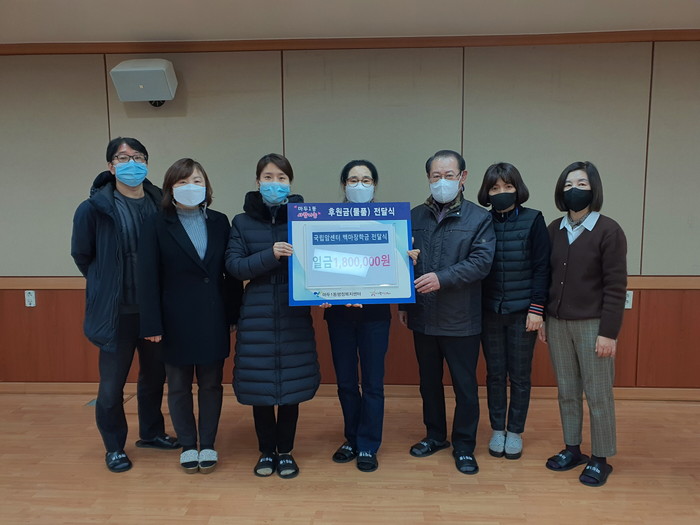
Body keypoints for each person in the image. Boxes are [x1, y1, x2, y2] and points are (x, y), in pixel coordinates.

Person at [71, 137, 178, 473]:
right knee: (112, 384)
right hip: (116, 312)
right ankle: (114, 446)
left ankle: (152, 433)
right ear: (110, 166)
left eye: (139, 157)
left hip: (153, 310)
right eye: (123, 157)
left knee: (154, 377)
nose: (132, 163)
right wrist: (106, 283)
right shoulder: (93, 208)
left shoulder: (160, 202)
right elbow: (82, 254)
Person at [137, 158, 243, 474]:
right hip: (173, 319)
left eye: (197, 181)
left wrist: (233, 313)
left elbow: (230, 274)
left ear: (206, 187)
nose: (190, 187)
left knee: (211, 384)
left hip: (212, 316)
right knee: (179, 385)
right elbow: (147, 277)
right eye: (182, 182)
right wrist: (151, 322)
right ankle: (187, 444)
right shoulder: (155, 223)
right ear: (170, 188)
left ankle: (207, 443)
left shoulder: (220, 221)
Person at [398, 149, 495, 475]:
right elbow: (401, 263)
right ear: (428, 178)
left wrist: (442, 278)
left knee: (465, 387)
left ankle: (464, 446)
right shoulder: (414, 216)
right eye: (436, 176)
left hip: (461, 318)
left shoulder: (479, 218)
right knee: (428, 383)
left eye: (449, 175)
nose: (442, 182)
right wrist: (405, 304)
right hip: (423, 317)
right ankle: (435, 436)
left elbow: (481, 263)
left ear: (463, 177)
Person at [225, 153, 320, 479]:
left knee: (292, 389)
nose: (275, 184)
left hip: (294, 312)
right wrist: (270, 254)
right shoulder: (241, 222)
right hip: (257, 312)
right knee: (260, 388)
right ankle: (266, 451)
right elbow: (234, 266)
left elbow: (322, 260)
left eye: (281, 178)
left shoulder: (305, 218)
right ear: (257, 182)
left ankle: (286, 451)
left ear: (290, 183)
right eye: (268, 177)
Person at [539, 161, 627, 488]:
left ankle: (600, 458)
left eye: (581, 184)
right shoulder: (554, 229)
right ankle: (572, 448)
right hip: (558, 323)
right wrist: (544, 316)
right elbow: (545, 277)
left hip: (593, 326)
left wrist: (609, 333)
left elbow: (616, 286)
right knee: (567, 391)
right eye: (568, 185)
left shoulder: (609, 230)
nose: (573, 190)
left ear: (593, 190)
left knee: (598, 394)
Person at [321, 160, 391, 473]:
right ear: (343, 185)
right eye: (353, 180)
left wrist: (407, 256)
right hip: (338, 315)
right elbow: (321, 264)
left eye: (365, 180)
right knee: (346, 381)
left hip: (375, 315)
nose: (359, 185)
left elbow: (392, 269)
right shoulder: (326, 222)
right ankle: (351, 437)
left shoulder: (390, 222)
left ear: (374, 185)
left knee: (373, 382)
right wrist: (318, 291)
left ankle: (368, 444)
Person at [477, 162, 550, 460]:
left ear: (518, 189)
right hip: (489, 311)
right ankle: (498, 429)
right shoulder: (481, 221)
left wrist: (537, 309)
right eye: (495, 188)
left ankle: (515, 431)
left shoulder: (534, 220)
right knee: (495, 374)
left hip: (523, 313)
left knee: (519, 375)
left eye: (508, 186)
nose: (502, 192)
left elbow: (542, 267)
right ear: (487, 192)